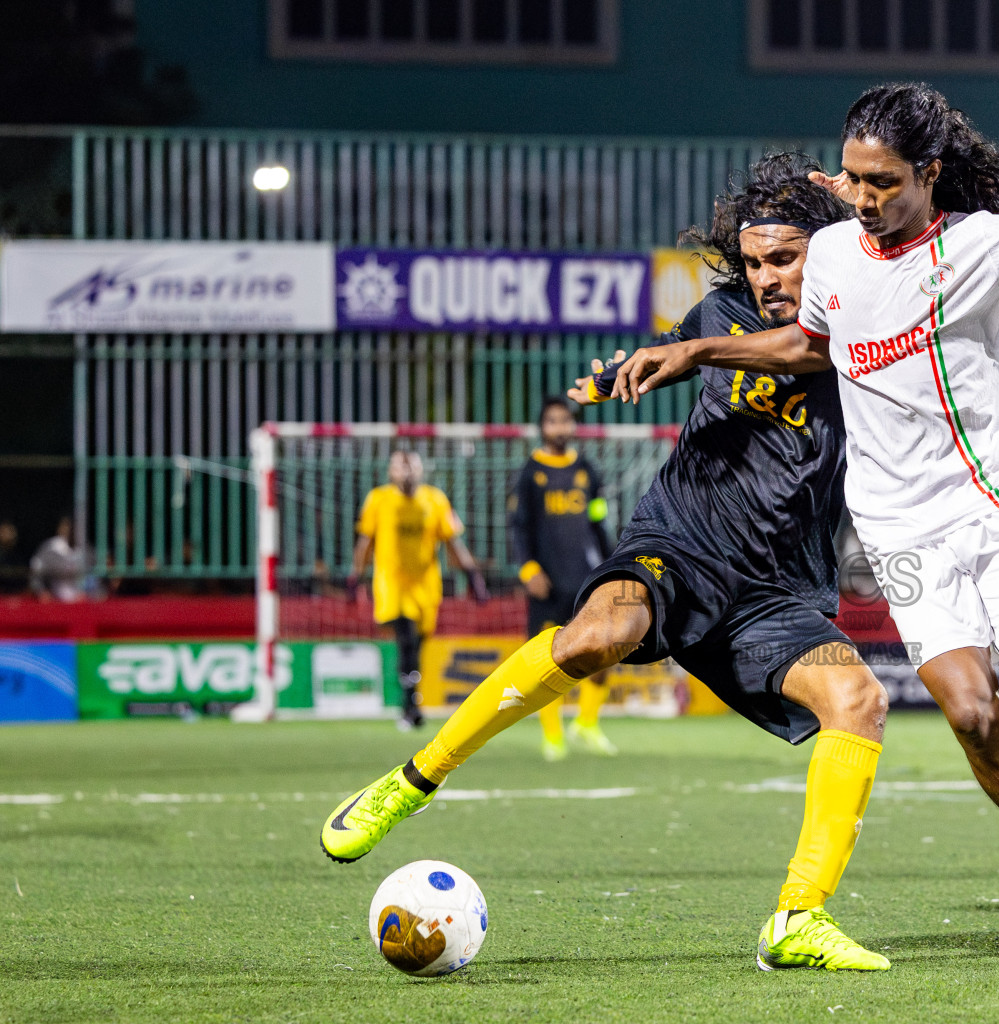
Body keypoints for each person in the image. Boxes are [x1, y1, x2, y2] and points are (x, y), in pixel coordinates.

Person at [611, 77, 999, 970]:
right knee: (971, 715)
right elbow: (812, 345)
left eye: (883, 182)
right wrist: (696, 349)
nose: (866, 198)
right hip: (901, 529)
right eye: (854, 179)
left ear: (930, 173)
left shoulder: (986, 244)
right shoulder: (836, 251)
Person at [323, 153, 895, 972]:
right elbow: (673, 348)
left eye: (784, 258)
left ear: (829, 250)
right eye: (754, 262)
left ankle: (798, 920)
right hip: (681, 542)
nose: (766, 278)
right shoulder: (722, 312)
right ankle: (412, 781)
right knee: (597, 637)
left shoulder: (872, 319)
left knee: (858, 699)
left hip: (776, 590)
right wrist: (627, 370)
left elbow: (812, 348)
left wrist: (695, 354)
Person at [511, 396, 618, 761]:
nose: (560, 427)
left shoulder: (587, 470)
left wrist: (612, 564)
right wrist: (529, 569)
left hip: (585, 578)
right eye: (552, 421)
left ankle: (587, 722)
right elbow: (519, 528)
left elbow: (598, 521)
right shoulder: (530, 473)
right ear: (542, 427)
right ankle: (552, 736)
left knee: (606, 648)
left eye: (565, 420)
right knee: (547, 661)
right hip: (547, 581)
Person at [348, 450, 488, 729]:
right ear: (390, 472)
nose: (407, 470)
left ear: (422, 469)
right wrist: (355, 577)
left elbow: (453, 542)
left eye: (412, 464)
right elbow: (365, 542)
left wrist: (473, 576)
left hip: (426, 584)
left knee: (418, 643)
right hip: (393, 583)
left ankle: (409, 700)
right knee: (406, 637)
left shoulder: (435, 499)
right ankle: (410, 705)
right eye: (400, 466)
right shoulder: (378, 499)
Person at [30, 516, 87, 603]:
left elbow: (89, 574)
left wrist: (86, 592)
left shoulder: (83, 548)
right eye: (64, 526)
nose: (67, 530)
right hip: (54, 597)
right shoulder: (50, 547)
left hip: (78, 598)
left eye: (70, 527)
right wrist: (40, 591)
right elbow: (35, 569)